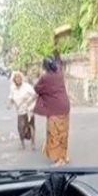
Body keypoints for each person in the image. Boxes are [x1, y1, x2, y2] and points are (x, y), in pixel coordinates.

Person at [33, 37, 71, 166]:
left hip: (55, 110)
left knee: (55, 133)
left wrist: (41, 74)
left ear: (44, 67)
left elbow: (36, 89)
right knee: (64, 132)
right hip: (65, 107)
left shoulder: (45, 77)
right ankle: (64, 156)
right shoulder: (59, 73)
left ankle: (59, 160)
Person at [8, 71, 37, 150]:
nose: (18, 79)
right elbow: (11, 97)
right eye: (16, 78)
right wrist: (9, 104)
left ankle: (33, 143)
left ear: (22, 78)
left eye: (19, 78)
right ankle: (22, 143)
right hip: (20, 110)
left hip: (29, 109)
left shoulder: (27, 86)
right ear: (14, 80)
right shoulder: (13, 87)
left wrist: (28, 101)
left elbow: (35, 95)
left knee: (31, 126)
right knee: (20, 127)